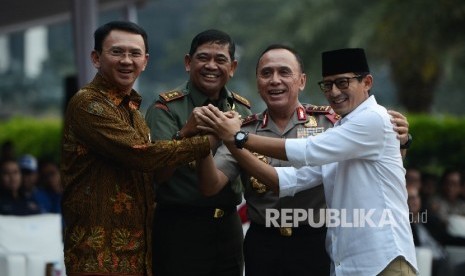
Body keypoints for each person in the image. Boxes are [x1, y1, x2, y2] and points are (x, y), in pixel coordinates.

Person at [197, 48, 418, 275]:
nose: (334, 92)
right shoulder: (341, 127)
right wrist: (228, 141)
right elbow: (289, 181)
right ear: (257, 82)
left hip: (379, 258)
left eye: (343, 83)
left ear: (367, 82)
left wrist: (238, 139)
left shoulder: (368, 119)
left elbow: (307, 151)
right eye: (328, 85)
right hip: (331, 259)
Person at [60, 21, 211, 276]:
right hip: (98, 259)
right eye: (117, 52)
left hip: (136, 256)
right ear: (96, 58)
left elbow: (147, 159)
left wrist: (185, 133)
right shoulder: (88, 103)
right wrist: (214, 140)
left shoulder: (133, 111)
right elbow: (142, 155)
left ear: (145, 61)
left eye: (135, 53)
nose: (126, 60)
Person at [144, 29, 252, 276]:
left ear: (233, 67)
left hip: (227, 224)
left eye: (220, 59)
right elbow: (158, 174)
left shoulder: (242, 110)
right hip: (179, 226)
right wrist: (186, 132)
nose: (211, 66)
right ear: (188, 62)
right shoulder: (165, 108)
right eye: (203, 58)